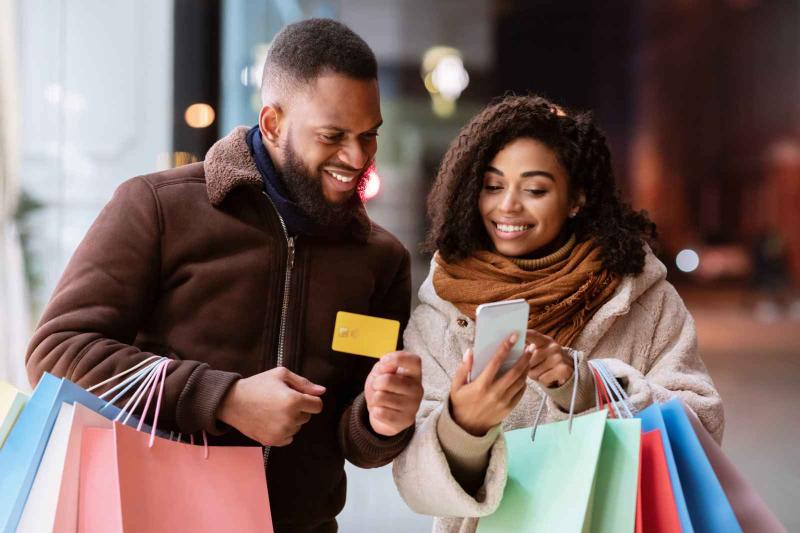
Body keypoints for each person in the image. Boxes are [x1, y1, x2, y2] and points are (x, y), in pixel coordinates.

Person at [26, 19, 423, 532]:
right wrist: (226, 399)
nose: (357, 158)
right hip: (151, 520)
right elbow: (57, 352)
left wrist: (382, 420)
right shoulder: (158, 207)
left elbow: (356, 441)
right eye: (333, 136)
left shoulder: (379, 259)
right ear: (273, 122)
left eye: (368, 136)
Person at [392, 95, 723, 532]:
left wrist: (587, 386)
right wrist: (463, 427)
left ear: (576, 198)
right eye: (492, 186)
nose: (508, 206)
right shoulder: (443, 305)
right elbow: (414, 484)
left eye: (534, 189)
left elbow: (704, 426)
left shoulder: (644, 297)